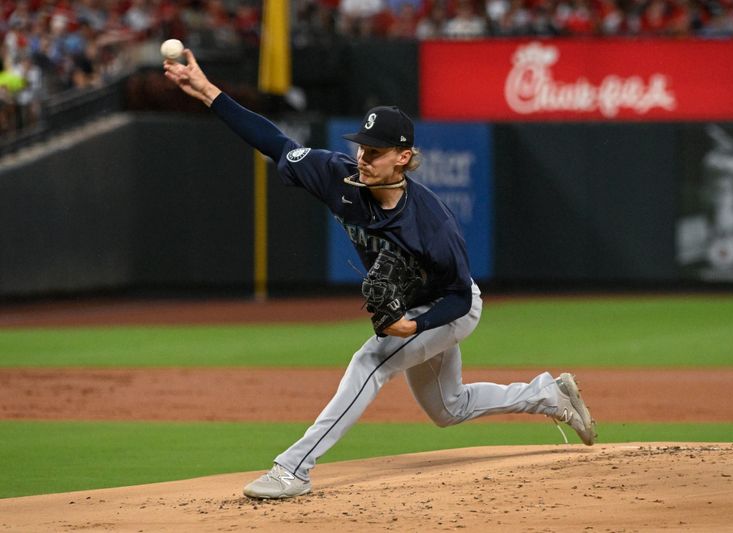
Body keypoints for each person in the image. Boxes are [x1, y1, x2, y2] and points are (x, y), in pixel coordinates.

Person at [163, 49, 597, 500]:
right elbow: (275, 143)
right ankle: (549, 394)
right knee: (450, 408)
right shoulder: (338, 177)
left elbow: (460, 299)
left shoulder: (432, 223)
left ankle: (293, 468)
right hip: (415, 307)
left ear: (403, 157)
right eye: (360, 147)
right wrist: (208, 92)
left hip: (449, 307)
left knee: (371, 361)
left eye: (374, 152)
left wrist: (415, 325)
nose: (362, 158)